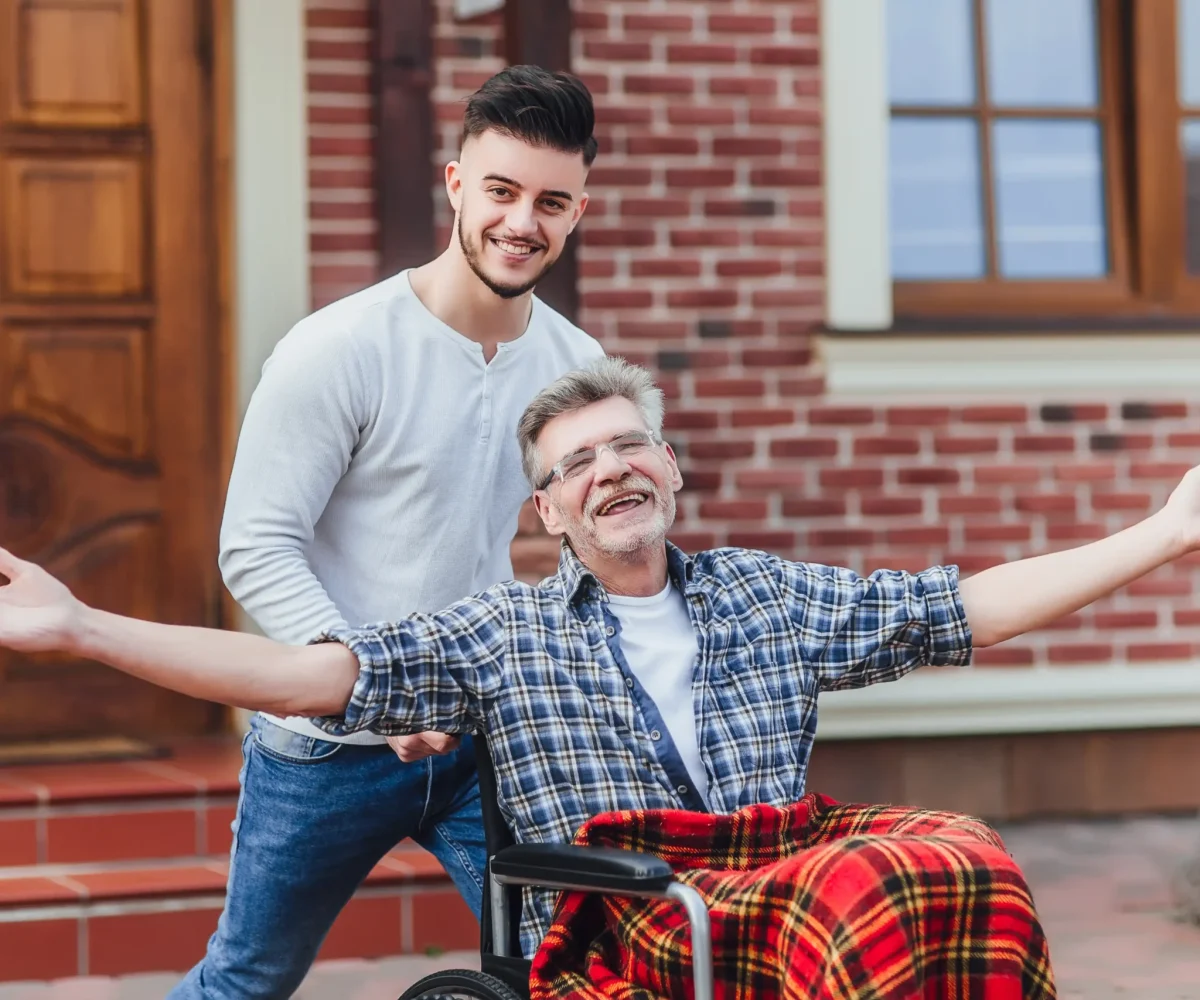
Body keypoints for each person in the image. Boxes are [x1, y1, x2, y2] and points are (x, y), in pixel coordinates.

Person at [2, 358, 1197, 957]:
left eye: (629, 445)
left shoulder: (764, 596)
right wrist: (85, 631)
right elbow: (317, 679)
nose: (609, 469)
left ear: (671, 470)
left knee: (966, 863)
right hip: (617, 918)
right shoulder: (502, 631)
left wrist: (1165, 528)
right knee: (877, 889)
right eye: (576, 463)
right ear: (550, 517)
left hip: (767, 883)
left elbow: (966, 609)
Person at [167, 65, 603, 997]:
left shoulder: (577, 366)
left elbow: (592, 549)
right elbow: (254, 543)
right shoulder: (341, 349)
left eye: (551, 201)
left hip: (482, 729)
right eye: (501, 190)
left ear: (579, 210)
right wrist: (373, 684)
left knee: (575, 966)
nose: (522, 221)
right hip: (323, 743)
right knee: (246, 981)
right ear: (455, 185)